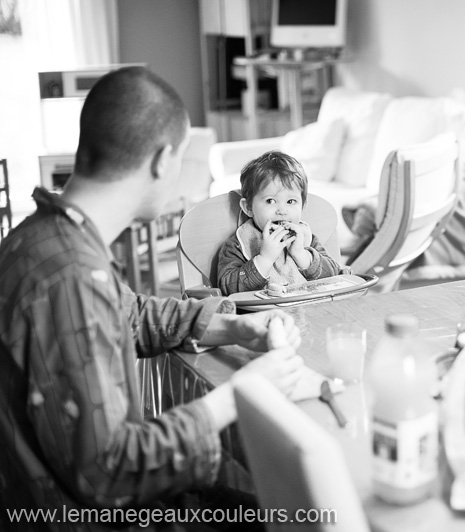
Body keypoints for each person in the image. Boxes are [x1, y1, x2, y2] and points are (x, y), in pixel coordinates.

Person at [0, 66, 306, 530]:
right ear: (163, 160)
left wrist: (230, 324)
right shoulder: (71, 277)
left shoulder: (46, 235)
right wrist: (238, 396)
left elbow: (126, 312)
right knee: (301, 514)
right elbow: (109, 473)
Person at [216, 150, 341, 296]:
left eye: (291, 201)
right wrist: (264, 259)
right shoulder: (239, 244)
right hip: (263, 315)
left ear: (303, 206)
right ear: (248, 207)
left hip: (311, 310)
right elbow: (228, 289)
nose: (282, 210)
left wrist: (301, 254)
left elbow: (334, 276)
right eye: (270, 201)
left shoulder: (306, 238)